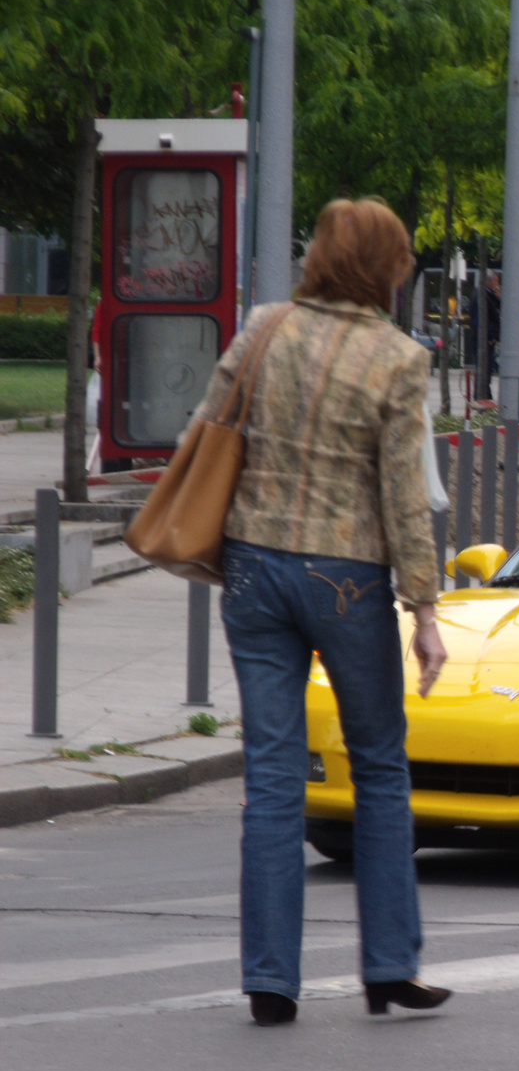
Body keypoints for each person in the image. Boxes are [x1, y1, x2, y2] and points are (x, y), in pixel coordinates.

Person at [192, 198, 452, 1026]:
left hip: (255, 569)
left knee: (272, 775)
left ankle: (271, 982)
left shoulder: (263, 330)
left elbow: (206, 429)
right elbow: (404, 498)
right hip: (346, 577)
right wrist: (425, 609)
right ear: (383, 268)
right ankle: (388, 967)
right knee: (377, 765)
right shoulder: (399, 358)